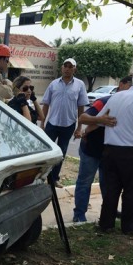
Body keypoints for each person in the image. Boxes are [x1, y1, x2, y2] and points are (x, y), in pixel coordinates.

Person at [72, 75, 132, 223]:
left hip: (109, 153)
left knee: (109, 184)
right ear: (121, 85)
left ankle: (109, 212)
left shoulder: (131, 105)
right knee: (85, 182)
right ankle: (79, 214)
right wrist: (100, 120)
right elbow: (83, 118)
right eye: (129, 86)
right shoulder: (104, 101)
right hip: (91, 150)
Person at [97, 69, 133, 235]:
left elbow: (101, 119)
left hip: (111, 150)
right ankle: (128, 227)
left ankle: (106, 224)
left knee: (111, 189)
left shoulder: (117, 96)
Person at [41, 58, 89, 188]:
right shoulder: (53, 84)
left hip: (68, 125)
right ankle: (41, 177)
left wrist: (79, 127)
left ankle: (54, 179)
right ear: (62, 68)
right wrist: (42, 123)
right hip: (52, 123)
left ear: (74, 69)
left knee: (61, 153)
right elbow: (46, 104)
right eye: (65, 66)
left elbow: (81, 108)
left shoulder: (79, 85)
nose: (67, 68)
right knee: (46, 151)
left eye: (70, 66)